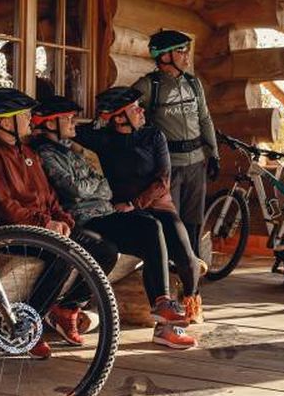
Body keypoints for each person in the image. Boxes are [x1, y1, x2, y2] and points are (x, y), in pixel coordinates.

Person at [30, 95, 195, 349]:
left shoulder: (69, 150)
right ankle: (67, 308)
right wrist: (95, 186)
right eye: (68, 118)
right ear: (51, 124)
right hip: (84, 219)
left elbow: (103, 186)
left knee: (151, 227)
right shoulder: (45, 153)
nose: (74, 122)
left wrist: (96, 187)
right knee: (117, 246)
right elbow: (74, 190)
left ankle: (162, 307)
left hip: (105, 213)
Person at [0, 87, 117, 359]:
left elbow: (49, 196)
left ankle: (66, 308)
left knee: (105, 250)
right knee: (62, 255)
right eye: (24, 115)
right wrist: (45, 224)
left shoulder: (28, 152)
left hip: (42, 229)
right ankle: (28, 328)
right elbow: (5, 207)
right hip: (13, 234)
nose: (30, 119)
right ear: (6, 122)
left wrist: (62, 219)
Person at [76, 86, 203, 325]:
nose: (141, 111)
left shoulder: (154, 136)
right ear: (119, 117)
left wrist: (134, 203)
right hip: (126, 214)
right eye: (134, 108)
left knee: (186, 258)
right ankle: (162, 310)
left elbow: (163, 181)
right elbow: (73, 131)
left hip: (158, 206)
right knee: (151, 241)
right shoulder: (104, 140)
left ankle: (191, 298)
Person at [132, 30, 219, 267]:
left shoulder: (193, 83)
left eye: (186, 50)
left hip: (196, 163)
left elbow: (205, 119)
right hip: (169, 167)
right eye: (181, 51)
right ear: (165, 56)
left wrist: (214, 154)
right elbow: (127, 116)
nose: (187, 56)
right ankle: (169, 274)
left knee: (193, 221)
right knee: (172, 222)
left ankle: (190, 274)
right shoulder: (149, 85)